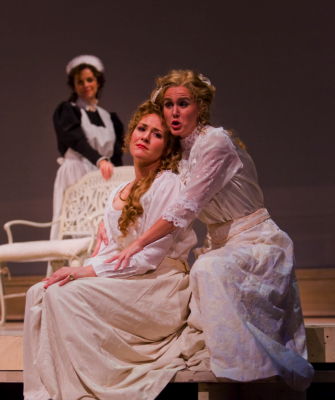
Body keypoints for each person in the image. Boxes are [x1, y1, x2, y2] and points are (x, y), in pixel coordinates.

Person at [106, 70, 314, 390]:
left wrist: (139, 244)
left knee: (208, 268)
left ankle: (252, 371)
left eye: (183, 103)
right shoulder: (182, 155)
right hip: (220, 243)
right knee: (201, 269)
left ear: (199, 108)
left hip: (257, 242)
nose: (174, 112)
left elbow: (186, 207)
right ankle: (233, 370)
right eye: (168, 105)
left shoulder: (214, 142)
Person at [23, 101, 198, 400]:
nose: (145, 136)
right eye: (142, 129)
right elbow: (109, 251)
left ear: (167, 146)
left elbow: (148, 257)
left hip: (158, 284)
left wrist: (85, 271)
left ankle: (84, 390)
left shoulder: (167, 184)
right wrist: (84, 270)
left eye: (156, 134)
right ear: (131, 135)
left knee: (65, 296)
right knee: (40, 292)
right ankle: (50, 391)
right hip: (127, 278)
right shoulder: (119, 192)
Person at [51, 54, 124, 242]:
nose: (85, 85)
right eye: (80, 81)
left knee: (106, 222)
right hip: (77, 171)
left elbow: (116, 153)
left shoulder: (109, 117)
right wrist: (99, 160)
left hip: (105, 175)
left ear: (98, 82)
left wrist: (120, 176)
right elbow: (75, 139)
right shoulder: (68, 110)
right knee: (78, 224)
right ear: (74, 85)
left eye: (89, 80)